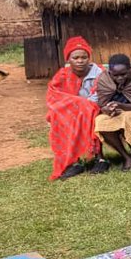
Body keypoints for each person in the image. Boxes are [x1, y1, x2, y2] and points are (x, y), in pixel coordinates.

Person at [46, 36, 105, 180]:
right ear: (68, 59)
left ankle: (100, 158)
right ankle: (75, 161)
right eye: (75, 58)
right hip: (72, 111)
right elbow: (54, 96)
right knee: (61, 117)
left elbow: (97, 97)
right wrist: (76, 105)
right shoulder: (62, 75)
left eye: (84, 57)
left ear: (89, 58)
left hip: (96, 108)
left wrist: (77, 105)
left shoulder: (100, 73)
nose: (80, 61)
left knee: (89, 114)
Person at [94, 53, 131, 171]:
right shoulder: (104, 79)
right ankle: (126, 157)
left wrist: (121, 105)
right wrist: (107, 109)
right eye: (116, 75)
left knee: (128, 118)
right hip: (114, 114)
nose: (120, 78)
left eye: (123, 74)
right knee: (100, 121)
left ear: (129, 70)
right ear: (110, 73)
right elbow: (102, 104)